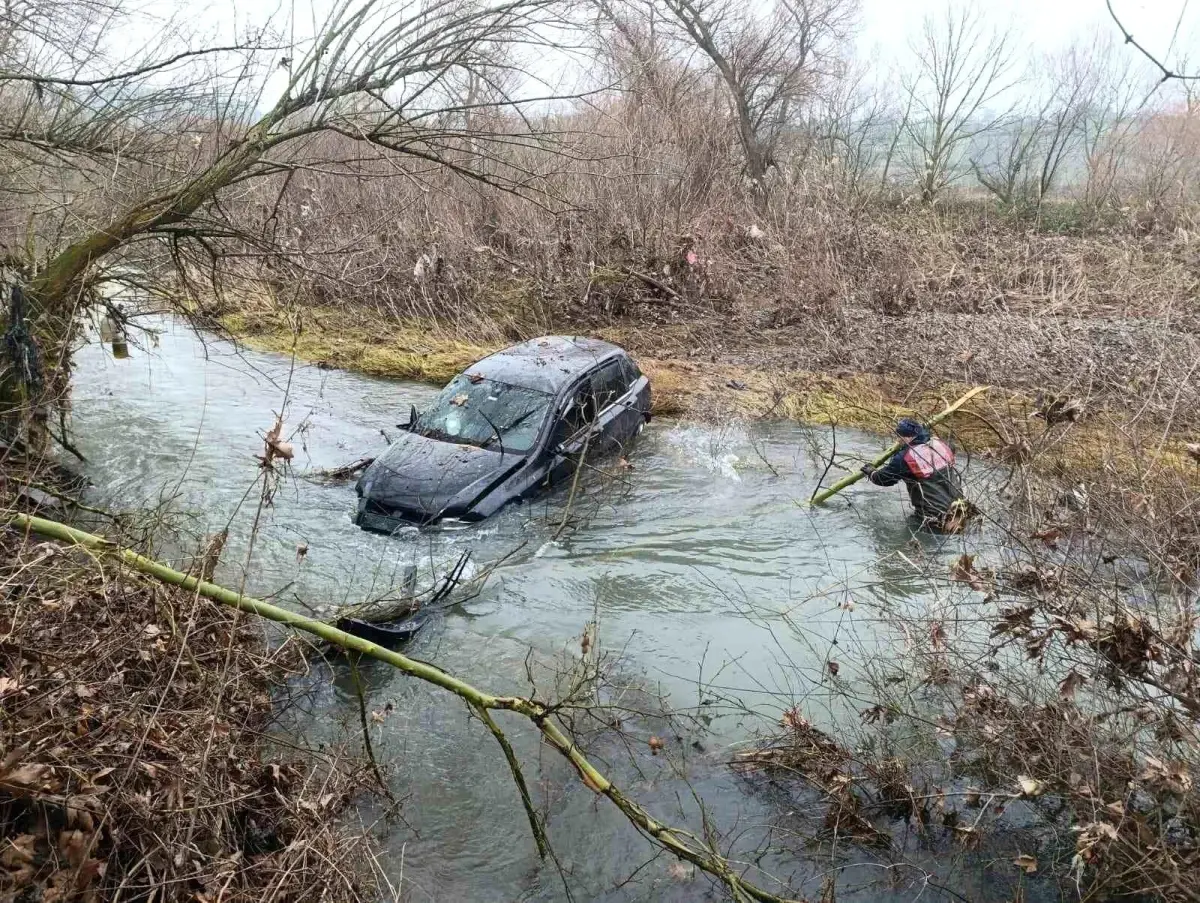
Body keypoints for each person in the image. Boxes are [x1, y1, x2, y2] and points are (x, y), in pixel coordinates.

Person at [861, 418, 971, 532]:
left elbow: (884, 479)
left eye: (899, 437)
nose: (898, 441)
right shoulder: (940, 444)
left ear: (906, 437)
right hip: (960, 509)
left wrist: (871, 472)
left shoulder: (905, 458)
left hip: (933, 518)